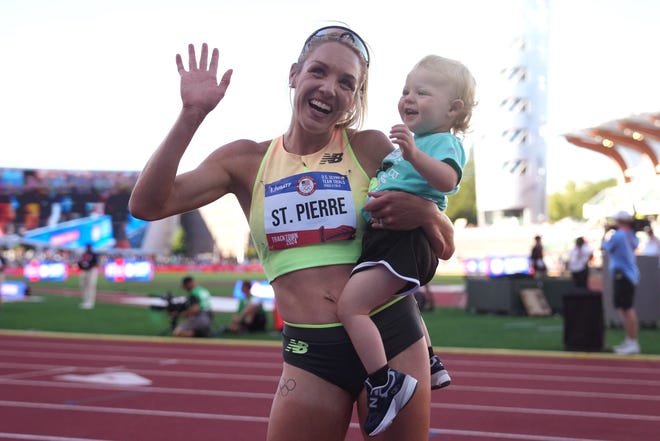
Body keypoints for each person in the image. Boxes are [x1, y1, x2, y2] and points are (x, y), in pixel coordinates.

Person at [128, 25, 455, 441]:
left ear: (355, 98)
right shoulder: (245, 160)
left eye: (346, 83)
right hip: (310, 352)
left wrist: (426, 210)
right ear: (294, 74)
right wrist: (192, 115)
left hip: (391, 336)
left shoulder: (370, 148)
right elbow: (147, 205)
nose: (328, 88)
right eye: (318, 72)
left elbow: (444, 246)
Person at [336, 54, 474, 435]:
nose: (409, 98)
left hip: (404, 240)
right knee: (402, 299)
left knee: (352, 306)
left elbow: (447, 182)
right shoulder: (407, 146)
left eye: (423, 92)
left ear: (453, 109)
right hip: (389, 237)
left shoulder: (444, 142)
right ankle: (428, 360)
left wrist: (414, 152)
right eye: (406, 90)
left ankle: (384, 382)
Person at [601, 211, 640, 355]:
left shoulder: (619, 235)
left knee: (627, 309)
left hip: (622, 275)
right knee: (626, 309)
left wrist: (605, 232)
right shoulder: (631, 235)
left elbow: (605, 247)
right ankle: (630, 340)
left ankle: (632, 342)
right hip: (629, 274)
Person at [77, 243, 99, 309]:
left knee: (91, 285)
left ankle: (90, 302)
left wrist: (88, 266)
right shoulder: (83, 254)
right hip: (84, 271)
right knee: (83, 285)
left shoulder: (94, 254)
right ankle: (85, 300)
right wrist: (82, 266)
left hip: (91, 270)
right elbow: (79, 262)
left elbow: (96, 262)